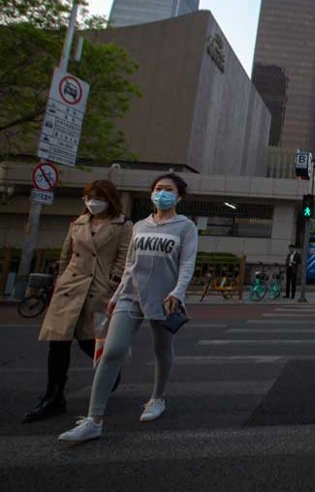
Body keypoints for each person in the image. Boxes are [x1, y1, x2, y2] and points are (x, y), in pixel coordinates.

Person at [59, 173, 198, 444]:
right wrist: (117, 294)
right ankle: (93, 419)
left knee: (162, 348)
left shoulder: (185, 227)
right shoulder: (140, 225)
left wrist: (178, 292)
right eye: (158, 188)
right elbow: (130, 264)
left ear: (179, 196)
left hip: (164, 298)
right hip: (130, 295)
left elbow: (187, 264)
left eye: (168, 190)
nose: (162, 193)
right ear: (151, 194)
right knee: (112, 352)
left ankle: (157, 398)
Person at [23, 181, 132, 423]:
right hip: (70, 289)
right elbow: (66, 254)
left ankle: (110, 369)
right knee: (58, 343)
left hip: (98, 290)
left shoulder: (123, 225)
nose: (93, 201)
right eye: (89, 197)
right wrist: (61, 280)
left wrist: (112, 285)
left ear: (110, 199)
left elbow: (124, 259)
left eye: (98, 197)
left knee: (89, 341)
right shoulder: (78, 223)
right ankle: (54, 396)